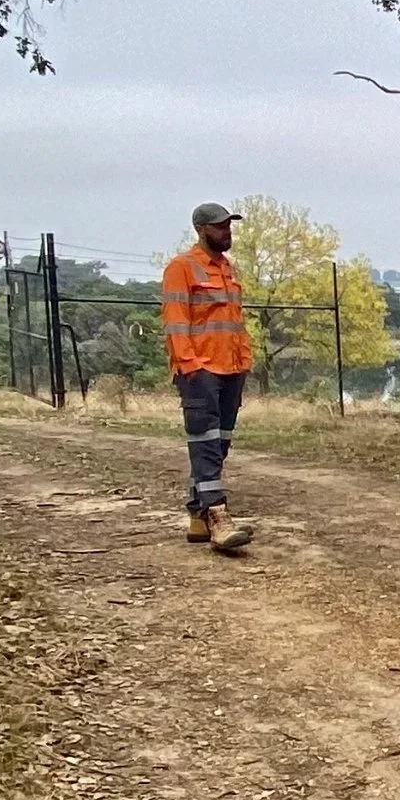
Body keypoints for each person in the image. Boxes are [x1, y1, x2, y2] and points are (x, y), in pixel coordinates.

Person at [161, 203, 255, 554]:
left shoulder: (228, 269)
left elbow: (234, 321)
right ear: (201, 229)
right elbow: (175, 320)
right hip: (200, 370)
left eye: (229, 225)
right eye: (220, 226)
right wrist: (190, 365)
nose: (227, 231)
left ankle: (197, 517)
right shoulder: (181, 268)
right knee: (204, 442)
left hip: (232, 368)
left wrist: (244, 359)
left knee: (218, 445)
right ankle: (217, 516)